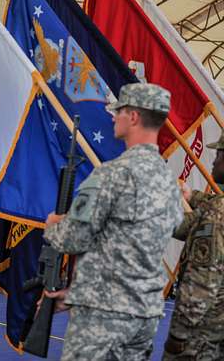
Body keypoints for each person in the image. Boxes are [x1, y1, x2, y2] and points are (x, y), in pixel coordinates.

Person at [43, 83, 184, 360]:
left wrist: (54, 225)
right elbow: (136, 242)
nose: (113, 117)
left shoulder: (112, 174)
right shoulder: (170, 181)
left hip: (103, 315)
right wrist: (78, 290)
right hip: (145, 312)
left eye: (118, 111)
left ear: (133, 117)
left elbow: (73, 238)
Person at [163, 134, 224, 360]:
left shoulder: (216, 215)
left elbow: (202, 281)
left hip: (204, 335)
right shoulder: (216, 207)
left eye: (219, 154)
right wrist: (191, 195)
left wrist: (178, 337)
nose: (214, 161)